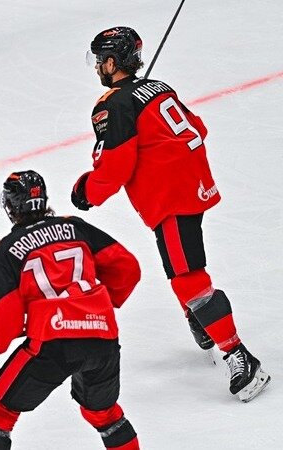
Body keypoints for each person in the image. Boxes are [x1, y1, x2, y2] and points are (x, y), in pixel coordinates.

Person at [70, 26, 270, 401]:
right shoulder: (158, 88)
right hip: (193, 185)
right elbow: (198, 128)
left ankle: (239, 356)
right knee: (179, 266)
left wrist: (86, 191)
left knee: (188, 278)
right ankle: (202, 321)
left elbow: (115, 167)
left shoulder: (113, 105)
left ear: (112, 63)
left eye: (100, 60)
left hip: (170, 199)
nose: (97, 67)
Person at [0, 170, 141, 450]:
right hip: (102, 336)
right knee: (104, 414)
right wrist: (90, 309)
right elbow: (127, 268)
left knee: (0, 412)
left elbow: (2, 328)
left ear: (10, 205)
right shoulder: (76, 227)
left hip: (52, 344)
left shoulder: (4, 252)